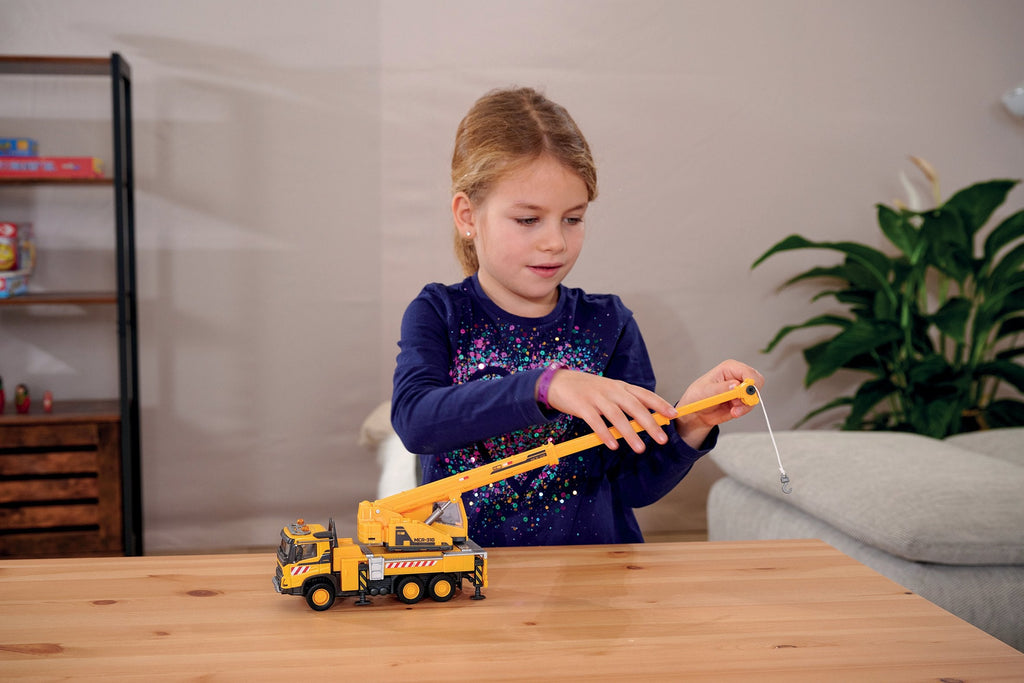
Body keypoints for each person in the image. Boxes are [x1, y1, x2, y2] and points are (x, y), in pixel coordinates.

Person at [391, 86, 763, 547]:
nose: (556, 242)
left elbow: (634, 484)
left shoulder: (608, 323)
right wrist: (546, 386)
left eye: (573, 218)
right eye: (528, 220)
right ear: (468, 215)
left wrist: (691, 421)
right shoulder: (439, 312)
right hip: (471, 577)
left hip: (596, 578)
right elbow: (416, 421)